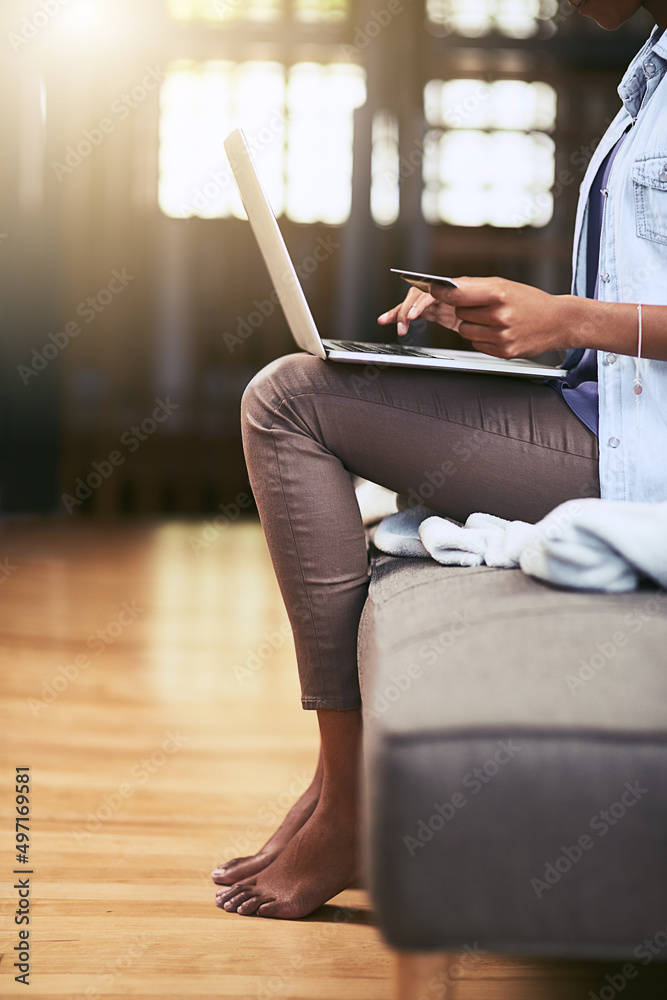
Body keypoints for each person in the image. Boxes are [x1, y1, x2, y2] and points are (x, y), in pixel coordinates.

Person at [212, 0, 667, 918]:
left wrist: (568, 317)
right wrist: (520, 324)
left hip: (638, 468)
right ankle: (333, 789)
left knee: (289, 399)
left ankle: (348, 804)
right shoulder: (651, 71)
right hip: (602, 414)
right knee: (298, 388)